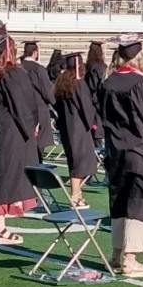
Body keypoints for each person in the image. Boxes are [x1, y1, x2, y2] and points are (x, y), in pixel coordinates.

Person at [98, 35, 143, 276]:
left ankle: (116, 254)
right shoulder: (141, 83)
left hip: (115, 150)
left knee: (120, 200)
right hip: (140, 150)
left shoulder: (108, 82)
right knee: (140, 201)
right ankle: (130, 258)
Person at [0, 28, 41, 246]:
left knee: (0, 176)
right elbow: (21, 105)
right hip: (11, 134)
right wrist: (30, 129)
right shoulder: (12, 73)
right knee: (5, 179)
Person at [52, 51, 99, 207]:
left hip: (66, 127)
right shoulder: (79, 84)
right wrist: (92, 123)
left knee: (74, 160)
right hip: (79, 128)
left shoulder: (61, 83)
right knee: (80, 162)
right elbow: (86, 107)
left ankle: (78, 194)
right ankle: (74, 195)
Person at [18, 39, 55, 165]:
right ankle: (36, 163)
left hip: (22, 106)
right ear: (35, 52)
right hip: (38, 108)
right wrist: (55, 103)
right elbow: (47, 90)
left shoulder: (19, 68)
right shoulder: (38, 69)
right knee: (39, 140)